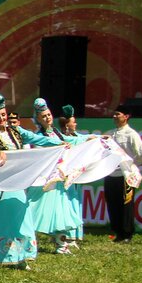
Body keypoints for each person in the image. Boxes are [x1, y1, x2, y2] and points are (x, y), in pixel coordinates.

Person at [0, 93, 66, 269]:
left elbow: (39, 139)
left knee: (21, 220)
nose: (1, 118)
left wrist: (59, 144)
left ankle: (21, 256)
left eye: (3, 114)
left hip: (18, 185)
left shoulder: (17, 132)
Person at [27, 97, 85, 253]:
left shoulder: (56, 133)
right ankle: (29, 243)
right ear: (38, 119)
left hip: (57, 181)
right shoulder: (38, 136)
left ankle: (61, 245)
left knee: (60, 213)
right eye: (43, 116)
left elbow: (72, 140)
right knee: (34, 211)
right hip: (43, 181)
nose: (47, 118)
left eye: (49, 114)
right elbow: (39, 153)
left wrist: (94, 138)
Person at [105, 103, 142, 244]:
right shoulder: (110, 133)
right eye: (114, 114)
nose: (115, 116)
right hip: (111, 174)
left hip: (126, 176)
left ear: (126, 117)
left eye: (118, 114)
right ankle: (117, 232)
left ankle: (127, 234)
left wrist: (132, 166)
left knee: (126, 205)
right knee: (112, 203)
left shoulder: (131, 134)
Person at [58, 105, 84, 245]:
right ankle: (66, 236)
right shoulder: (61, 138)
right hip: (64, 176)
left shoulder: (77, 137)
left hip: (75, 176)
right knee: (66, 204)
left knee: (75, 203)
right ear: (67, 125)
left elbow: (85, 138)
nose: (76, 124)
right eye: (73, 122)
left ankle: (74, 236)